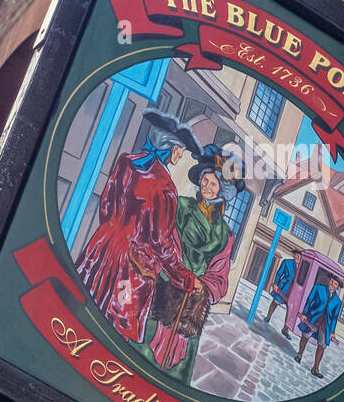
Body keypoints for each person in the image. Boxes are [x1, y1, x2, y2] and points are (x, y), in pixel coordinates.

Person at [75, 110, 200, 345]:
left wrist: (114, 231)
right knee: (114, 327)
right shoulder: (165, 188)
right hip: (131, 270)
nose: (180, 155)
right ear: (171, 149)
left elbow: (106, 206)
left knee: (85, 305)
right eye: (180, 150)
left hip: (102, 249)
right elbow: (161, 243)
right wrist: (185, 278)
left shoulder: (126, 161)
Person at [141, 145, 244, 382]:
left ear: (223, 191)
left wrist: (201, 285)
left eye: (213, 184)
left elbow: (220, 271)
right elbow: (163, 238)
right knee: (147, 347)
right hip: (166, 285)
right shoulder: (182, 206)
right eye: (205, 181)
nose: (207, 187)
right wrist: (175, 272)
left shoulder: (225, 233)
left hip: (193, 301)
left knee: (177, 362)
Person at [296, 275, 341, 379]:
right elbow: (309, 301)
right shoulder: (318, 288)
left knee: (322, 344)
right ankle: (299, 355)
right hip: (313, 318)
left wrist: (332, 331)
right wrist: (304, 314)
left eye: (335, 285)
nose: (333, 285)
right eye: (332, 282)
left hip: (325, 324)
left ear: (337, 287)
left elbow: (334, 317)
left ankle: (315, 368)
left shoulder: (337, 301)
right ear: (330, 280)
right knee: (305, 335)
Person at [264, 257, 296, 337]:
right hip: (283, 288)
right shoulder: (287, 262)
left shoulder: (303, 267)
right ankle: (268, 316)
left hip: (294, 293)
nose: (297, 257)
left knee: (291, 312)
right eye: (296, 255)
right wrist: (275, 284)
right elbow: (279, 274)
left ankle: (285, 329)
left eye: (299, 255)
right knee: (275, 302)